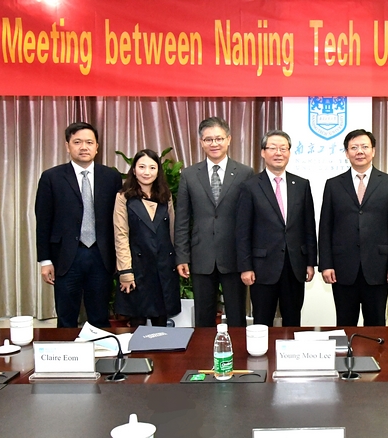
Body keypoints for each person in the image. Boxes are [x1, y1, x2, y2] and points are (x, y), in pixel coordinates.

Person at [35, 122, 122, 328]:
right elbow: (43, 221)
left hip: (101, 256)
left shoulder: (111, 177)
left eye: (89, 142)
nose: (84, 147)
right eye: (77, 142)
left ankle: (100, 349)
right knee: (66, 317)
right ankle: (66, 349)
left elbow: (119, 220)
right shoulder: (51, 177)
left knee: (100, 316)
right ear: (67, 146)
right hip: (66, 257)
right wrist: (45, 260)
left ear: (97, 147)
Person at [319, 129, 388, 326]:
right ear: (346, 152)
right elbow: (325, 227)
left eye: (365, 147)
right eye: (354, 147)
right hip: (342, 267)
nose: (360, 151)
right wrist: (326, 264)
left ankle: (375, 348)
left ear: (373, 151)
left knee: (376, 322)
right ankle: (346, 349)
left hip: (378, 266)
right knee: (344, 322)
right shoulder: (333, 184)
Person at [174, 117, 254, 327]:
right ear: (201, 142)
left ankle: (237, 348)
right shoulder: (189, 174)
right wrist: (182, 256)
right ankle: (204, 350)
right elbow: (182, 219)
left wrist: (248, 259)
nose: (214, 143)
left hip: (234, 256)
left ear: (229, 140)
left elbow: (250, 219)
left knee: (237, 316)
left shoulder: (245, 173)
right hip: (202, 256)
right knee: (203, 317)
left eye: (219, 138)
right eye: (208, 139)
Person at [236, 130, 317, 327]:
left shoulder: (302, 185)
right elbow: (243, 231)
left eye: (283, 148)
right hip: (262, 267)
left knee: (293, 321)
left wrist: (310, 262)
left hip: (294, 266)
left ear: (289, 152)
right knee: (262, 321)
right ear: (263, 152)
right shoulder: (250, 186)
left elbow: (309, 226)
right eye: (273, 148)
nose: (278, 153)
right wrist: (246, 267)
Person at [113, 149, 181, 327]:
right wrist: (125, 271)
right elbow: (121, 235)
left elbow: (172, 232)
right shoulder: (123, 197)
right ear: (134, 170)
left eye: (152, 167)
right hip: (137, 269)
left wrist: (178, 261)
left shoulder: (166, 197)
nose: (147, 172)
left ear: (158, 171)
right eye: (142, 167)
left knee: (162, 325)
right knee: (138, 324)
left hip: (163, 269)